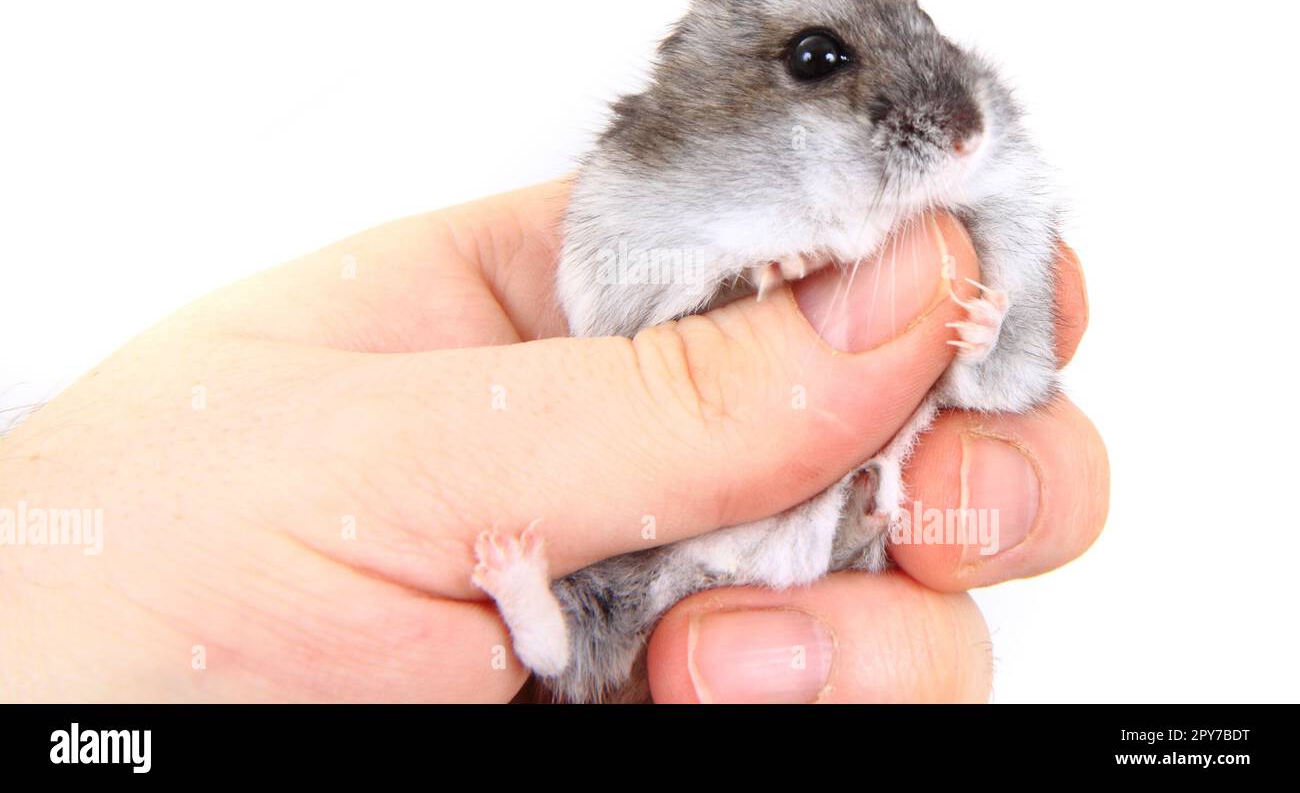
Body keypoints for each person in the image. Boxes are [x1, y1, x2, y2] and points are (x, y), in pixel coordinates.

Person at [0, 181, 1106, 703]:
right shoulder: (675, 239)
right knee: (589, 629)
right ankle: (537, 606)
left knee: (896, 507)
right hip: (652, 577)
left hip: (806, 525)